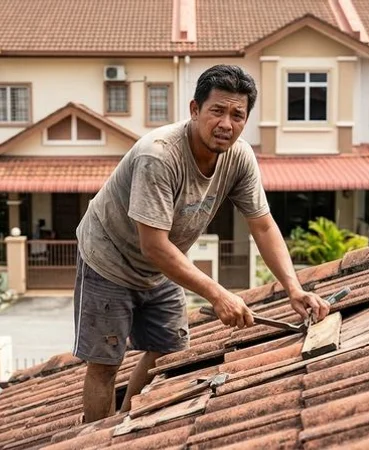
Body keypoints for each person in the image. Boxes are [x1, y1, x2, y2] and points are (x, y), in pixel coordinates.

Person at [72, 64, 330, 423]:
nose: (227, 123)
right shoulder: (159, 155)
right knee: (105, 364)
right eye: (217, 111)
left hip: (161, 267)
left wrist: (294, 288)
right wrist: (219, 294)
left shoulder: (239, 157)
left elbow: (263, 225)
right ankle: (95, 438)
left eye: (238, 115)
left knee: (169, 351)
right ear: (195, 110)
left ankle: (125, 423)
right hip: (109, 261)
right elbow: (153, 245)